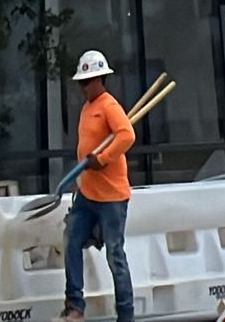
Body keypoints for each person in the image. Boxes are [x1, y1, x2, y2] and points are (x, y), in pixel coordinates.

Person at [59, 50, 135, 322]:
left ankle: (126, 314)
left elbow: (127, 135)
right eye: (81, 82)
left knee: (115, 255)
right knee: (71, 240)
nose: (84, 87)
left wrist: (102, 159)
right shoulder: (87, 108)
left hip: (112, 198)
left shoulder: (109, 105)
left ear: (100, 80)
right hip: (88, 194)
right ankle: (75, 306)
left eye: (87, 82)